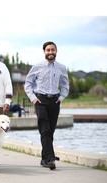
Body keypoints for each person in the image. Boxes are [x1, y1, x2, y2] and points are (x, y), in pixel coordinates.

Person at [24, 41, 69, 170]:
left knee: (51, 131)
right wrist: (33, 98)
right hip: (40, 100)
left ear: (56, 51)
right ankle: (50, 159)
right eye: (48, 50)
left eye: (52, 50)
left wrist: (61, 98)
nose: (50, 52)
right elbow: (28, 83)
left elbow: (65, 85)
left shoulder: (61, 67)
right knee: (45, 129)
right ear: (44, 51)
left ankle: (44, 159)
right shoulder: (37, 66)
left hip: (55, 101)